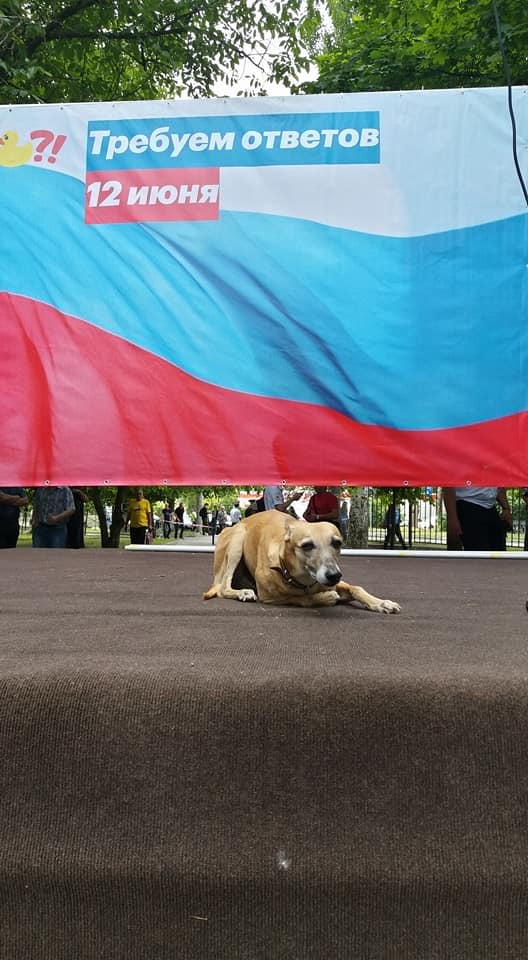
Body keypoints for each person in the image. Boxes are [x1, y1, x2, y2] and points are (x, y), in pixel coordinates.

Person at [442, 487, 511, 551]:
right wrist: (452, 518)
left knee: (499, 551)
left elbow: (498, 484)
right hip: (468, 504)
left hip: (490, 507)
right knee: (479, 552)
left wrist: (506, 508)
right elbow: (449, 486)